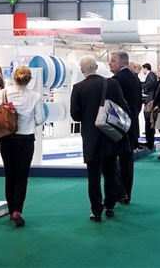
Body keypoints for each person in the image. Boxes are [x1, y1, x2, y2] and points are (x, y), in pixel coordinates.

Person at [70, 56, 130, 222]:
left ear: (82, 70)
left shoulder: (78, 88)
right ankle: (110, 206)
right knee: (110, 172)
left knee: (93, 176)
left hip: (91, 137)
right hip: (110, 134)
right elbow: (123, 107)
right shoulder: (112, 83)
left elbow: (75, 115)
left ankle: (96, 211)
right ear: (96, 67)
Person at [0, 65, 45, 227]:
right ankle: (17, 209)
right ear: (29, 80)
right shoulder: (35, 96)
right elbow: (40, 119)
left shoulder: (2, 94)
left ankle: (11, 210)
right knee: (21, 177)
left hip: (7, 139)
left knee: (9, 175)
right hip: (26, 140)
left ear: (14, 77)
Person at [109, 50, 142, 205]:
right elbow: (138, 103)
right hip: (132, 126)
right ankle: (126, 194)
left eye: (113, 61)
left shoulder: (116, 80)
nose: (110, 63)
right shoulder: (135, 78)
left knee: (113, 162)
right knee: (127, 163)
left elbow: (112, 106)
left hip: (119, 128)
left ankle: (119, 193)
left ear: (123, 62)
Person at [141, 63, 159, 149]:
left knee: (149, 120)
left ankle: (150, 142)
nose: (142, 71)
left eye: (143, 69)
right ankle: (149, 141)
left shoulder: (151, 75)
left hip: (150, 100)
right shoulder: (151, 75)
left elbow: (151, 83)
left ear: (145, 68)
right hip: (149, 99)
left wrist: (143, 88)